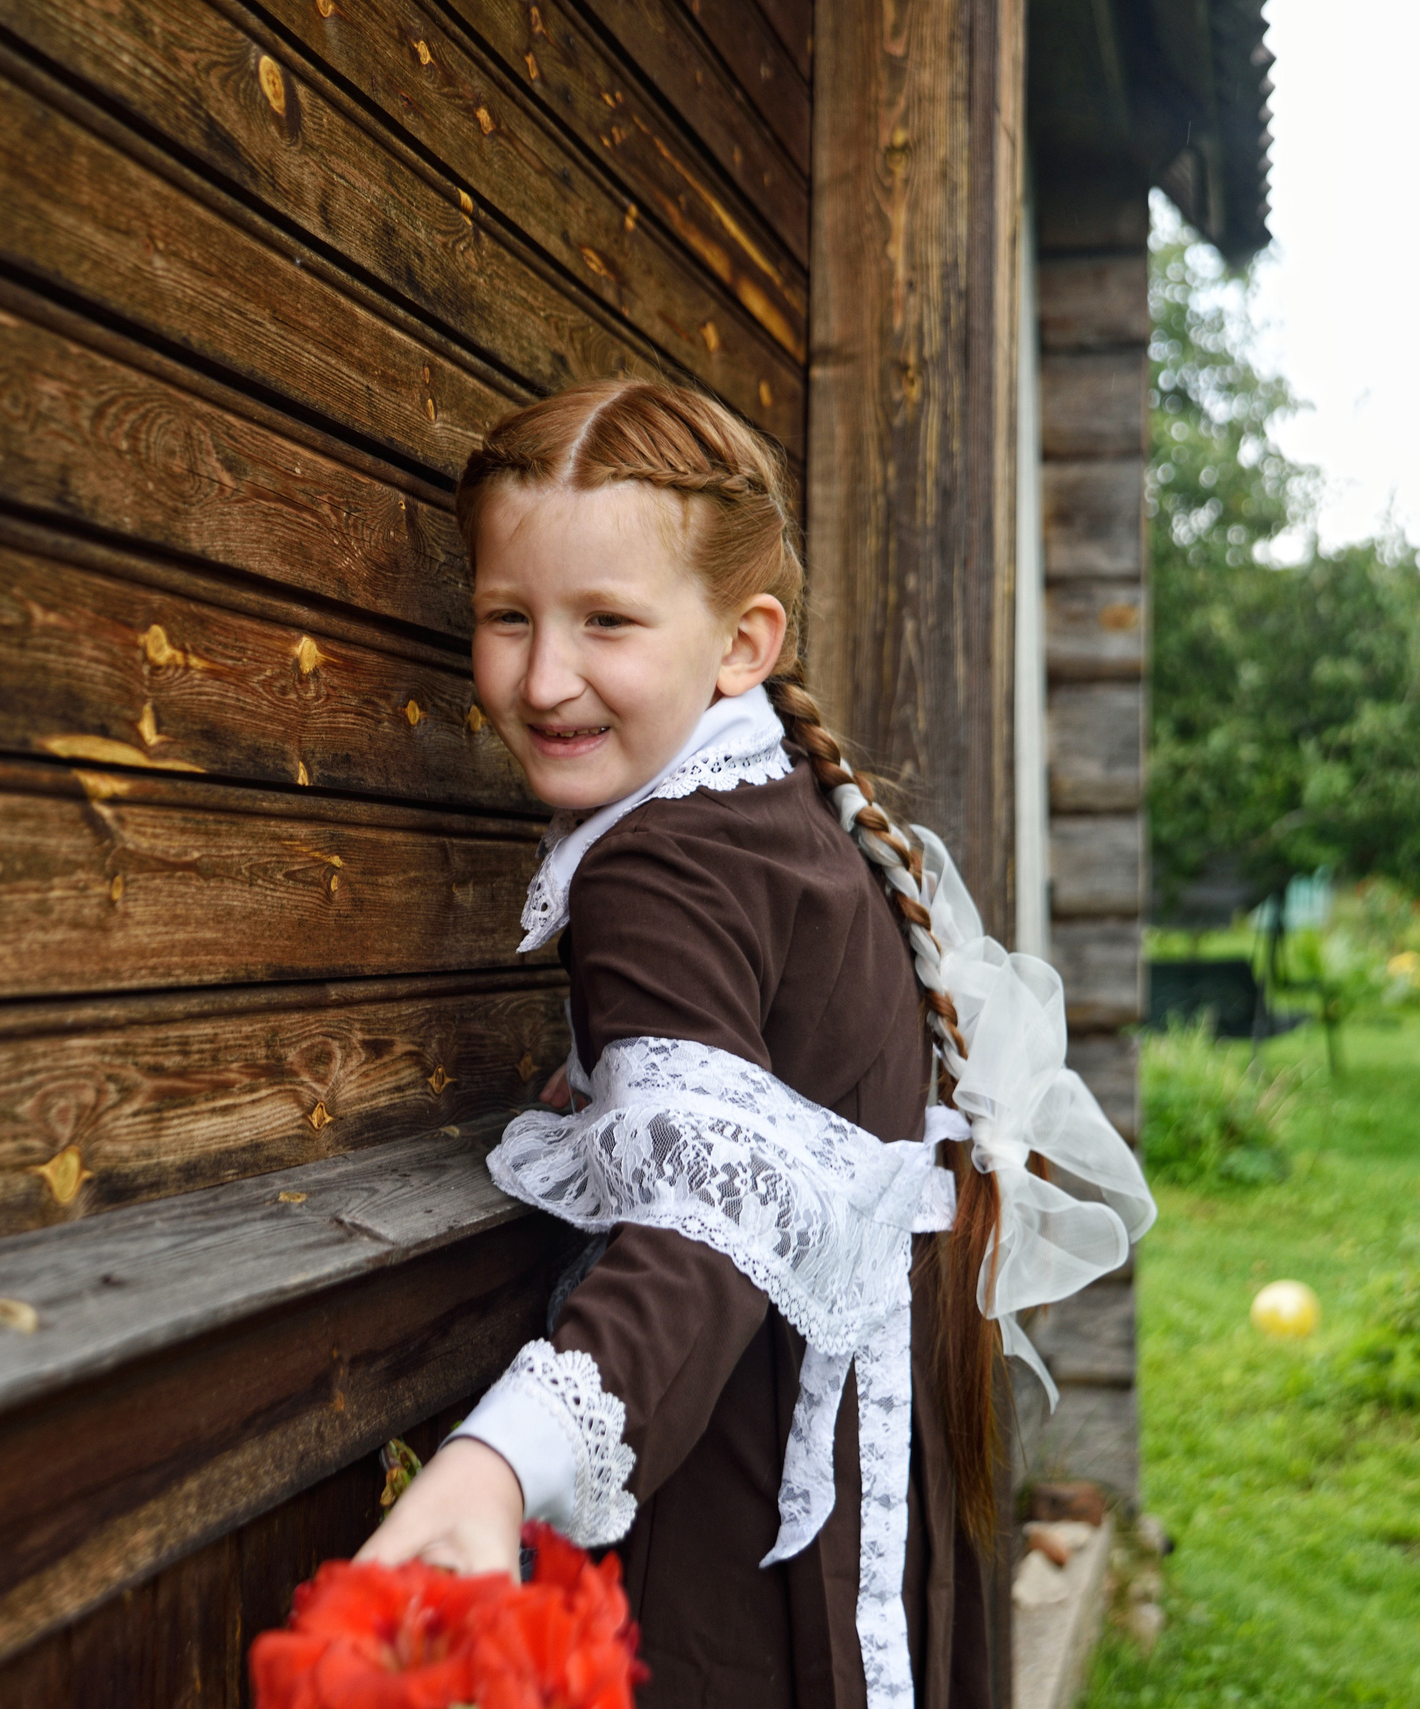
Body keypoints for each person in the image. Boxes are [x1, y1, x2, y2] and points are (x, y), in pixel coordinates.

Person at [357, 379, 1152, 1709]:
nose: (544, 677)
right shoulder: (778, 811)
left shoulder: (657, 869)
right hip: (862, 1473)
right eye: (509, 617)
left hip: (752, 1488)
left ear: (742, 642)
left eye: (605, 620)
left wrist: (495, 1458)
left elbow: (708, 1226)